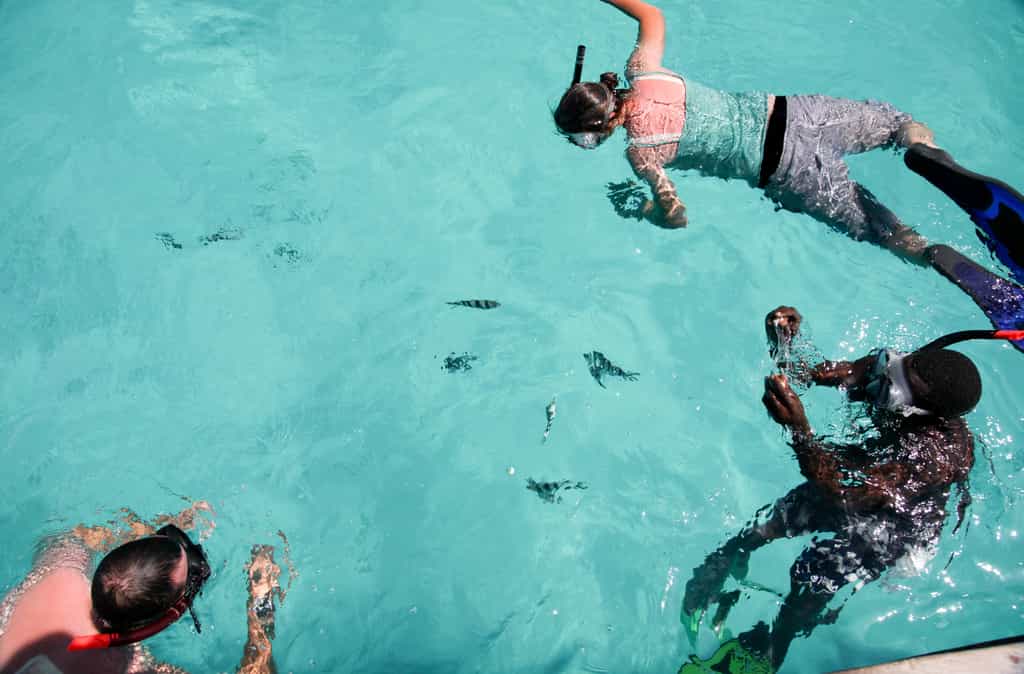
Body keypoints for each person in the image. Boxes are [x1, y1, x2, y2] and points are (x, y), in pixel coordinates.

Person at [677, 306, 983, 673]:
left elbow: (843, 493)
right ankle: (722, 567)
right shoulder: (892, 372)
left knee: (810, 577)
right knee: (771, 522)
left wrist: (799, 431)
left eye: (889, 390)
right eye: (888, 367)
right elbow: (811, 372)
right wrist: (784, 342)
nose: (878, 380)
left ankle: (775, 647)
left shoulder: (935, 456)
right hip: (862, 475)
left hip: (897, 517)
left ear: (923, 412)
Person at [554, 0, 949, 264]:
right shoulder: (643, 71)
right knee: (899, 124)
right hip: (796, 112)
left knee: (887, 234)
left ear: (600, 127)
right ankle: (928, 152)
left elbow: (676, 216)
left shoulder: (641, 151)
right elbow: (651, 15)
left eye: (582, 139)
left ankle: (933, 255)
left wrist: (644, 210)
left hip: (787, 169)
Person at [0, 503, 286, 674]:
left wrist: (142, 533)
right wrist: (261, 603)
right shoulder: (135, 667)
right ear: (171, 613)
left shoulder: (61, 569)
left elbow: (77, 534)